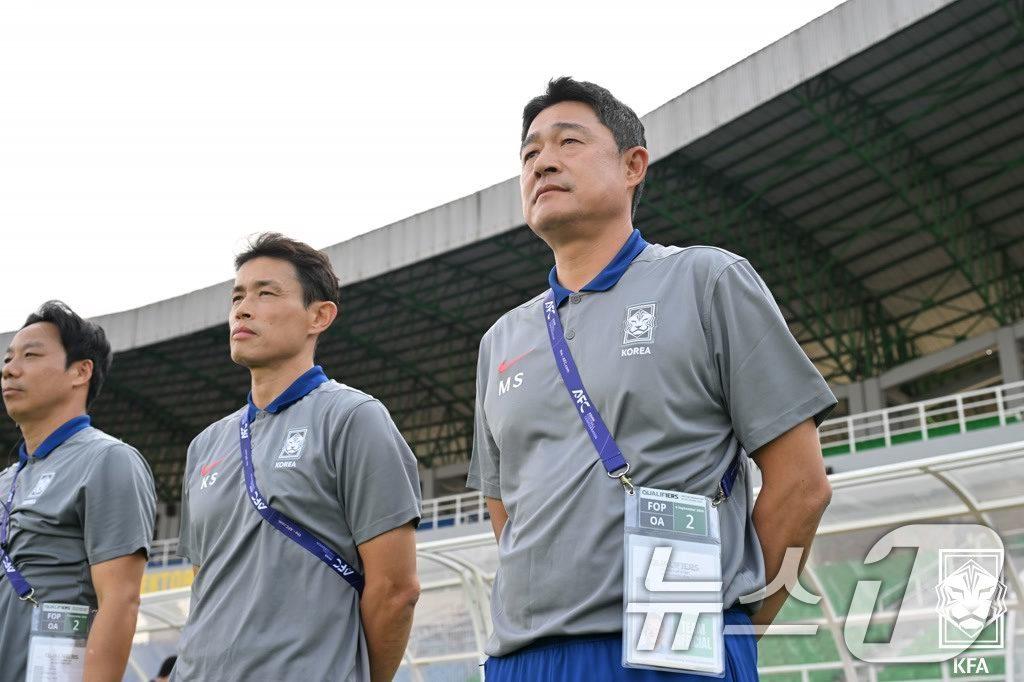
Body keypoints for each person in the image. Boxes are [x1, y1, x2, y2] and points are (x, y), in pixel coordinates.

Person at [466, 77, 837, 680]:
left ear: (633, 164)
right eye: (530, 153)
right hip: (524, 657)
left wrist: (737, 621)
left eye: (568, 142)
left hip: (677, 641)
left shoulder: (707, 281)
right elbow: (503, 511)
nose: (544, 162)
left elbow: (802, 484)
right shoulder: (500, 340)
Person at [174, 233, 422, 681]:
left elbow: (396, 589)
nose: (242, 309)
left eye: (266, 293)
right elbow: (204, 585)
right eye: (237, 296)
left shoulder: (352, 417)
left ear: (319, 316)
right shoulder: (205, 446)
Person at [1, 300, 157, 681]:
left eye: (30, 355)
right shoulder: (6, 480)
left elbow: (120, 601)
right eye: (8, 358)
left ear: (80, 371)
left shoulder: (108, 460)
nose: (9, 369)